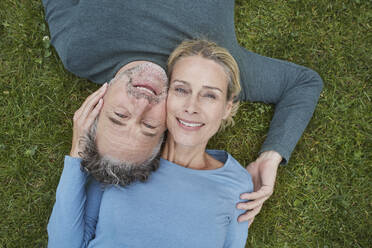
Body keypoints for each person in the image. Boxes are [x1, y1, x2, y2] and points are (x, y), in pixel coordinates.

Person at [42, 0, 323, 223]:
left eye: (119, 116)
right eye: (149, 127)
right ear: (167, 127)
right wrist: (271, 155)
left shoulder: (77, 50)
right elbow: (302, 84)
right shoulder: (210, 73)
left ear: (95, 106)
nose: (141, 103)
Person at [48, 39, 253, 248]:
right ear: (166, 97)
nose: (192, 107)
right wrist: (77, 152)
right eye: (181, 90)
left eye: (210, 95)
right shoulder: (130, 161)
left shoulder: (238, 185)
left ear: (227, 107)